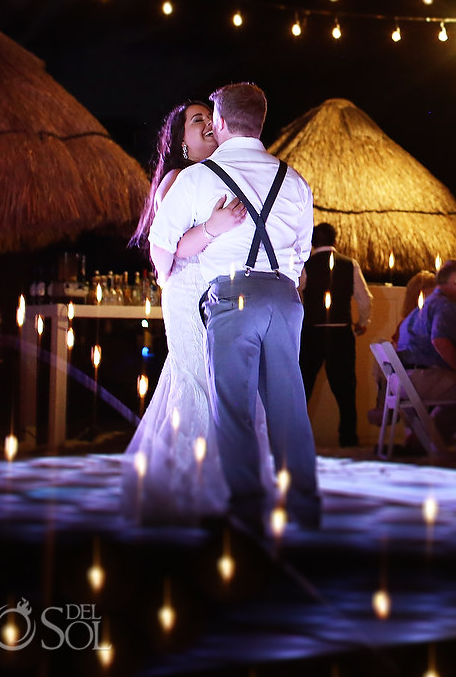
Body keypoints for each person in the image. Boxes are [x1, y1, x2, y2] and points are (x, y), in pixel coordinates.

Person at [149, 82, 319, 533]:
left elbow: (161, 247)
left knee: (233, 405)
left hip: (232, 294)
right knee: (288, 404)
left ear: (221, 123)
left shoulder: (199, 178)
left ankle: (247, 507)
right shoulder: (295, 180)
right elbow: (302, 253)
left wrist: (181, 264)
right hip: (285, 297)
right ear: (260, 122)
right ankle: (302, 503)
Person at [122, 99, 261, 524]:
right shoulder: (178, 178)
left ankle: (223, 482)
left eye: (207, 118)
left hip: (224, 290)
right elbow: (164, 256)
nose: (205, 125)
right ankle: (195, 487)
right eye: (195, 120)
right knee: (200, 382)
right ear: (180, 141)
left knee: (223, 381)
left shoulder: (226, 175)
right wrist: (212, 230)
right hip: (189, 292)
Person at [298, 222, 373, 447]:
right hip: (341, 332)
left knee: (303, 387)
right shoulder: (350, 264)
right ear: (335, 240)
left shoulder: (306, 266)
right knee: (346, 389)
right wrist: (363, 322)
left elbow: (297, 296)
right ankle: (348, 438)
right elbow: (365, 299)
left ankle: (297, 440)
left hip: (312, 333)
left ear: (312, 242)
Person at [395, 259, 456, 442]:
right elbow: (440, 341)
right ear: (455, 283)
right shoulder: (446, 305)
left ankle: (423, 438)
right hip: (421, 380)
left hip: (403, 381)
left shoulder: (427, 304)